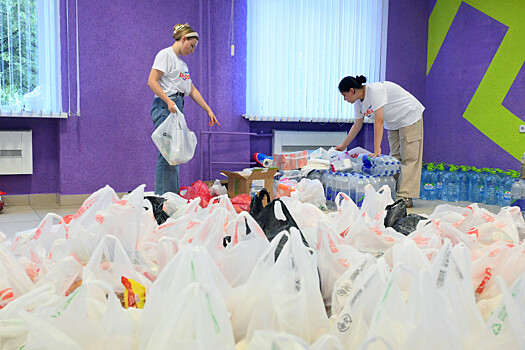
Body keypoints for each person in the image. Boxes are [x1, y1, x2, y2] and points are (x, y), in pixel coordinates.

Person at [148, 23, 220, 195]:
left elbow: (192, 90)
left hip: (176, 106)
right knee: (168, 154)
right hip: (166, 106)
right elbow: (152, 81)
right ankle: (164, 198)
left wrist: (208, 110)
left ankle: (170, 196)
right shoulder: (165, 55)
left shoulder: (182, 66)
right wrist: (168, 101)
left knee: (175, 155)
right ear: (183, 39)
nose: (192, 50)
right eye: (191, 46)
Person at [336, 75, 424, 208]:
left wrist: (377, 148)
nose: (344, 99)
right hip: (393, 121)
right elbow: (357, 125)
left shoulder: (374, 91)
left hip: (409, 115)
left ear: (352, 90)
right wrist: (344, 145)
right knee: (394, 158)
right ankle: (392, 193)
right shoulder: (359, 103)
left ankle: (405, 196)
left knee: (409, 157)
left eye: (345, 95)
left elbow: (379, 120)